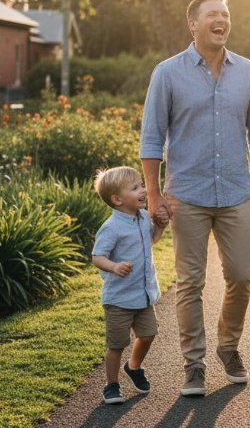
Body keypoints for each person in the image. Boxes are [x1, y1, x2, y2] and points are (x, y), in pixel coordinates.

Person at [139, 0, 250, 397]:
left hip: (235, 190)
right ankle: (193, 365)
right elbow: (151, 139)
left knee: (241, 276)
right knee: (190, 281)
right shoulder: (167, 73)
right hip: (188, 194)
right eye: (212, 14)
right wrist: (153, 194)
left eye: (226, 14)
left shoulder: (247, 71)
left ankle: (228, 347)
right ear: (193, 24)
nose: (221, 20)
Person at [91, 166, 166, 405]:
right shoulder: (111, 227)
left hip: (143, 295)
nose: (143, 190)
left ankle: (133, 366)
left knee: (148, 334)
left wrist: (161, 227)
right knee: (116, 344)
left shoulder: (143, 217)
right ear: (117, 199)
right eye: (135, 188)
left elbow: (151, 240)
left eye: (141, 185)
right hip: (119, 299)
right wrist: (113, 266)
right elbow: (97, 256)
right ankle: (111, 385)